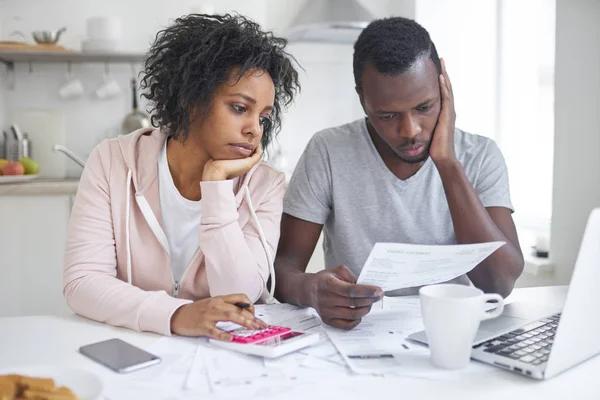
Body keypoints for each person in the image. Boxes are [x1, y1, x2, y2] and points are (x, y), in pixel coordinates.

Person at [274, 17, 524, 330]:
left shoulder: (481, 156)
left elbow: (498, 284)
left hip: (449, 332)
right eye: (388, 115)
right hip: (357, 336)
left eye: (424, 107)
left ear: (443, 86)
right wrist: (311, 289)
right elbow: (282, 270)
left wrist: (447, 163)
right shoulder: (328, 150)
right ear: (363, 99)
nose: (410, 131)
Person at [63, 13, 300, 340]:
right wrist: (175, 314)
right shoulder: (113, 160)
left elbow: (241, 295)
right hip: (130, 344)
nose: (254, 129)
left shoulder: (265, 184)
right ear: (191, 99)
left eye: (263, 117)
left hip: (222, 352)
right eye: (239, 108)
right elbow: (83, 283)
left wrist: (216, 184)